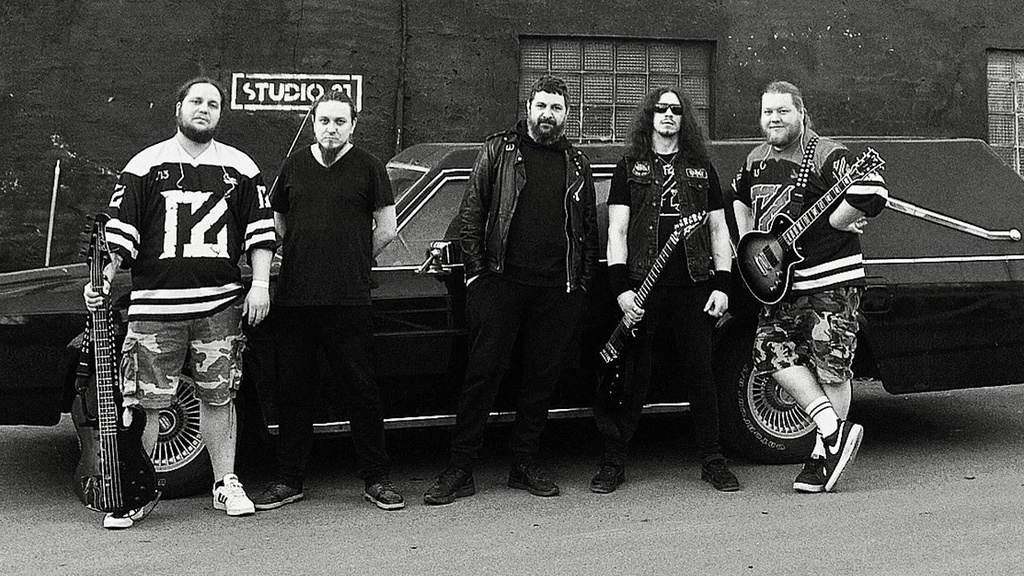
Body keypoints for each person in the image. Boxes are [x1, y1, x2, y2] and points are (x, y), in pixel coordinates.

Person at [84, 77, 276, 529]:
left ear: (221, 113)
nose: (204, 109)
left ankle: (225, 482)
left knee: (219, 395)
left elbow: (260, 232)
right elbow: (119, 234)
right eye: (196, 101)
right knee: (145, 402)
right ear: (178, 108)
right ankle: (133, 490)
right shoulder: (145, 164)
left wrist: (261, 284)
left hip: (219, 305)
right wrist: (102, 279)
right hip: (156, 308)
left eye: (213, 103)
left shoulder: (241, 166)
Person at [423, 75, 600, 505]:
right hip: (500, 283)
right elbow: (472, 214)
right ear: (528, 108)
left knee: (540, 380)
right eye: (541, 106)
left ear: (567, 115)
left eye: (556, 108)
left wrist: (580, 287)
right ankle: (460, 469)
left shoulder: (577, 164)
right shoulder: (498, 151)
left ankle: (524, 464)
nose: (547, 115)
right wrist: (478, 277)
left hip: (557, 289)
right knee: (481, 377)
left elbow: (588, 232)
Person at [250, 90, 403, 511]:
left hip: (349, 299)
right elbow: (278, 220)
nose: (331, 129)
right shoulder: (294, 165)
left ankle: (376, 479)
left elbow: (387, 229)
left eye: (339, 121)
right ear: (313, 123)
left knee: (361, 391)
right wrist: (304, 251)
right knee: (294, 392)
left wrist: (353, 259)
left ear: (352, 125)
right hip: (296, 297)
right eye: (324, 121)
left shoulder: (369, 167)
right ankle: (289, 479)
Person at [731, 81, 887, 493]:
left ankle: (821, 457)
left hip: (831, 283)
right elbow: (738, 197)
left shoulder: (826, 153)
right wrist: (747, 242)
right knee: (768, 352)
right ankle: (834, 430)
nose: (774, 119)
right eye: (768, 112)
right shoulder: (756, 159)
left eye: (783, 111)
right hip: (780, 286)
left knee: (830, 369)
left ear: (801, 113)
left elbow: (872, 189)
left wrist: (838, 220)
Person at [590, 87, 739, 494]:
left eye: (676, 110)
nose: (669, 115)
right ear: (650, 116)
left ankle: (713, 459)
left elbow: (719, 230)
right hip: (643, 286)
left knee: (701, 373)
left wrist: (722, 285)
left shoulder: (701, 168)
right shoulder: (629, 167)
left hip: (694, 285)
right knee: (633, 376)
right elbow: (617, 231)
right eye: (661, 109)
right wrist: (621, 290)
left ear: (684, 118)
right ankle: (613, 461)